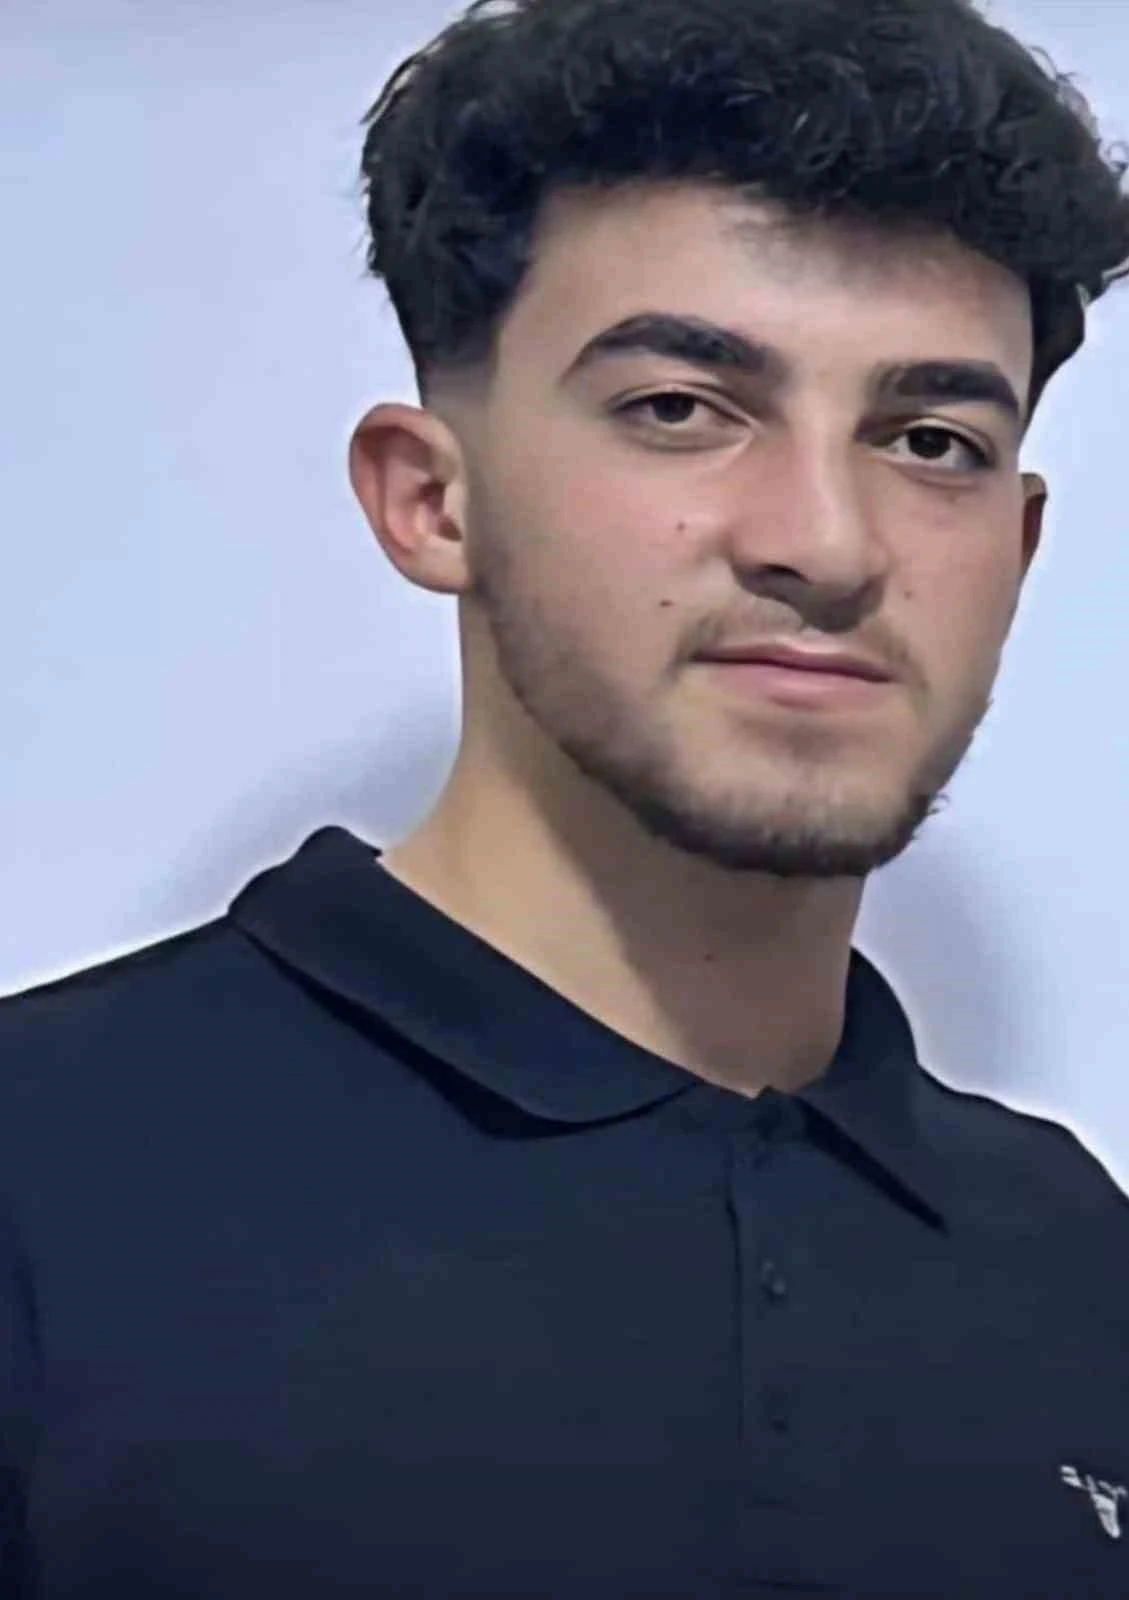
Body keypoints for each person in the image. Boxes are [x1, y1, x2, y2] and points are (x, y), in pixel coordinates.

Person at [3, 0, 1129, 1594]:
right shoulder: (41, 1173)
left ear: (1017, 548)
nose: (827, 542)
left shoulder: (1078, 1259)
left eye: (932, 439)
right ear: (430, 499)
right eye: (681, 408)